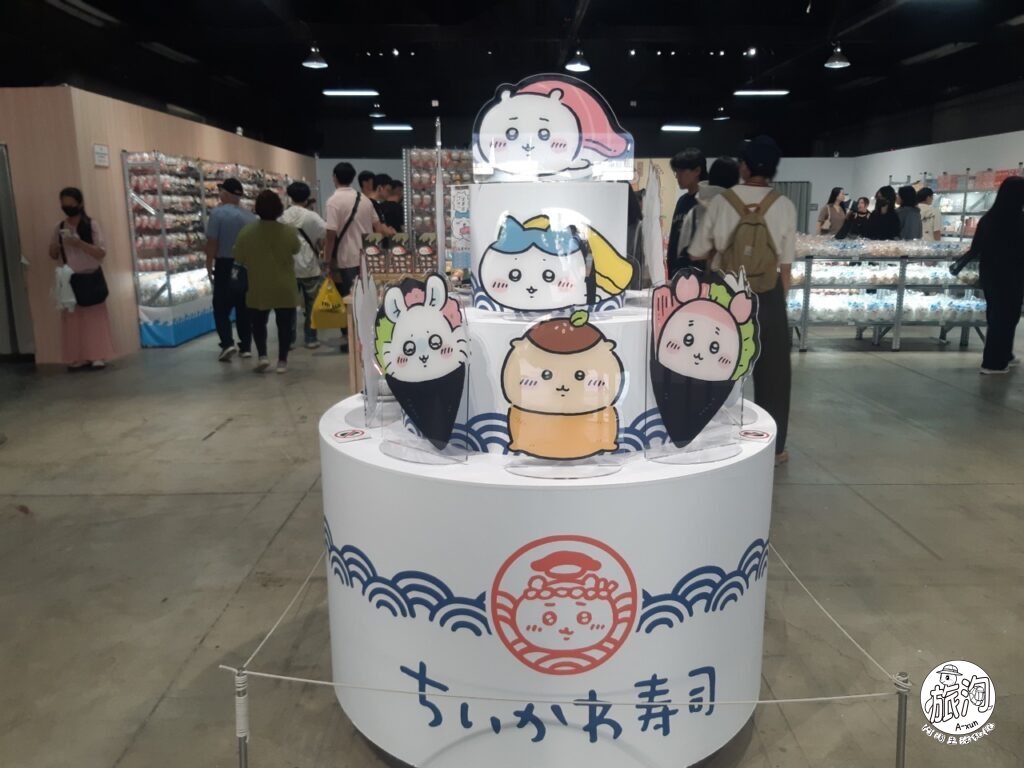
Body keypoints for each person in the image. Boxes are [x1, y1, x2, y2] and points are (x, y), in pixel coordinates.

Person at [689, 136, 796, 466]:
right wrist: (778, 302)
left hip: (725, 292)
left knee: (712, 363)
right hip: (767, 294)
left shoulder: (723, 202)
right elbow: (786, 268)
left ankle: (708, 438)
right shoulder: (784, 205)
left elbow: (696, 251)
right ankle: (774, 449)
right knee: (774, 373)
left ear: (744, 167)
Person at [957, 176, 1024, 374]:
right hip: (1012, 276)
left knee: (997, 315)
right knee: (1007, 317)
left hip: (990, 274)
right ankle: (993, 363)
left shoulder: (989, 218)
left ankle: (1005, 355)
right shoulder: (1018, 220)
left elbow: (976, 247)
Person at [232, 190, 300, 374]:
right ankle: (282, 361)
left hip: (258, 284)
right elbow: (296, 249)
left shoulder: (247, 232)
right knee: (284, 324)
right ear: (279, 208)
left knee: (258, 323)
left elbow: (239, 256)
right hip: (284, 285)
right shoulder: (288, 231)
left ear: (257, 208)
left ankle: (262, 355)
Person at [47, 187, 115, 370]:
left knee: (94, 319)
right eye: (64, 204)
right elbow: (53, 254)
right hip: (70, 279)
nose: (68, 208)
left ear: (80, 204)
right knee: (73, 320)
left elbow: (101, 252)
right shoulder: (59, 227)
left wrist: (79, 243)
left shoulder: (91, 225)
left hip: (91, 276)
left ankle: (97, 355)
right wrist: (55, 247)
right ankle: (77, 356)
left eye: (71, 204)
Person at [325, 162, 380, 352]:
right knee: (367, 299)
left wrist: (326, 260)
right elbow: (377, 227)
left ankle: (356, 342)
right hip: (368, 258)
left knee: (352, 301)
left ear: (334, 177)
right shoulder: (364, 200)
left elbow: (330, 234)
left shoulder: (333, 201)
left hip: (347, 258)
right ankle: (370, 338)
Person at [205, 178, 257, 361]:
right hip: (245, 265)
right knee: (243, 307)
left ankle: (227, 343)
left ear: (225, 193)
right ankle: (246, 346)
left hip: (224, 265)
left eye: (221, 191)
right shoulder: (250, 217)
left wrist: (209, 264)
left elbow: (212, 242)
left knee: (221, 306)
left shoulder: (217, 214)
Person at [280, 181, 327, 349]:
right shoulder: (312, 216)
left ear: (290, 196)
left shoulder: (282, 217)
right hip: (309, 266)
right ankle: (310, 338)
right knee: (311, 305)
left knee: (288, 306)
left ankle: (288, 339)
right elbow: (325, 233)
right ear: (307, 198)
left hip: (288, 267)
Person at [677, 156, 740, 258]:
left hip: (696, 267)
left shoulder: (694, 213)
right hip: (729, 266)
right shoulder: (738, 212)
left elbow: (683, 249)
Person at [666, 148, 706, 278]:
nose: (677, 176)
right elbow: (674, 239)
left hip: (699, 274)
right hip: (677, 272)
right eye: (676, 171)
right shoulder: (682, 201)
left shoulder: (706, 201)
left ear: (697, 171)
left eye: (681, 171)